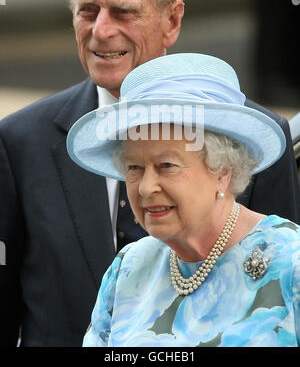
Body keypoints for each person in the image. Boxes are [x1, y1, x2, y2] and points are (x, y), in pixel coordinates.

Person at [0, 0, 299, 347]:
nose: (101, 31)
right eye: (88, 10)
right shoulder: (19, 141)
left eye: (123, 12)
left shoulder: (288, 257)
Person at [67, 53, 300, 347]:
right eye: (134, 168)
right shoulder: (128, 268)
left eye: (167, 166)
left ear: (223, 171)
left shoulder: (291, 262)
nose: (146, 187)